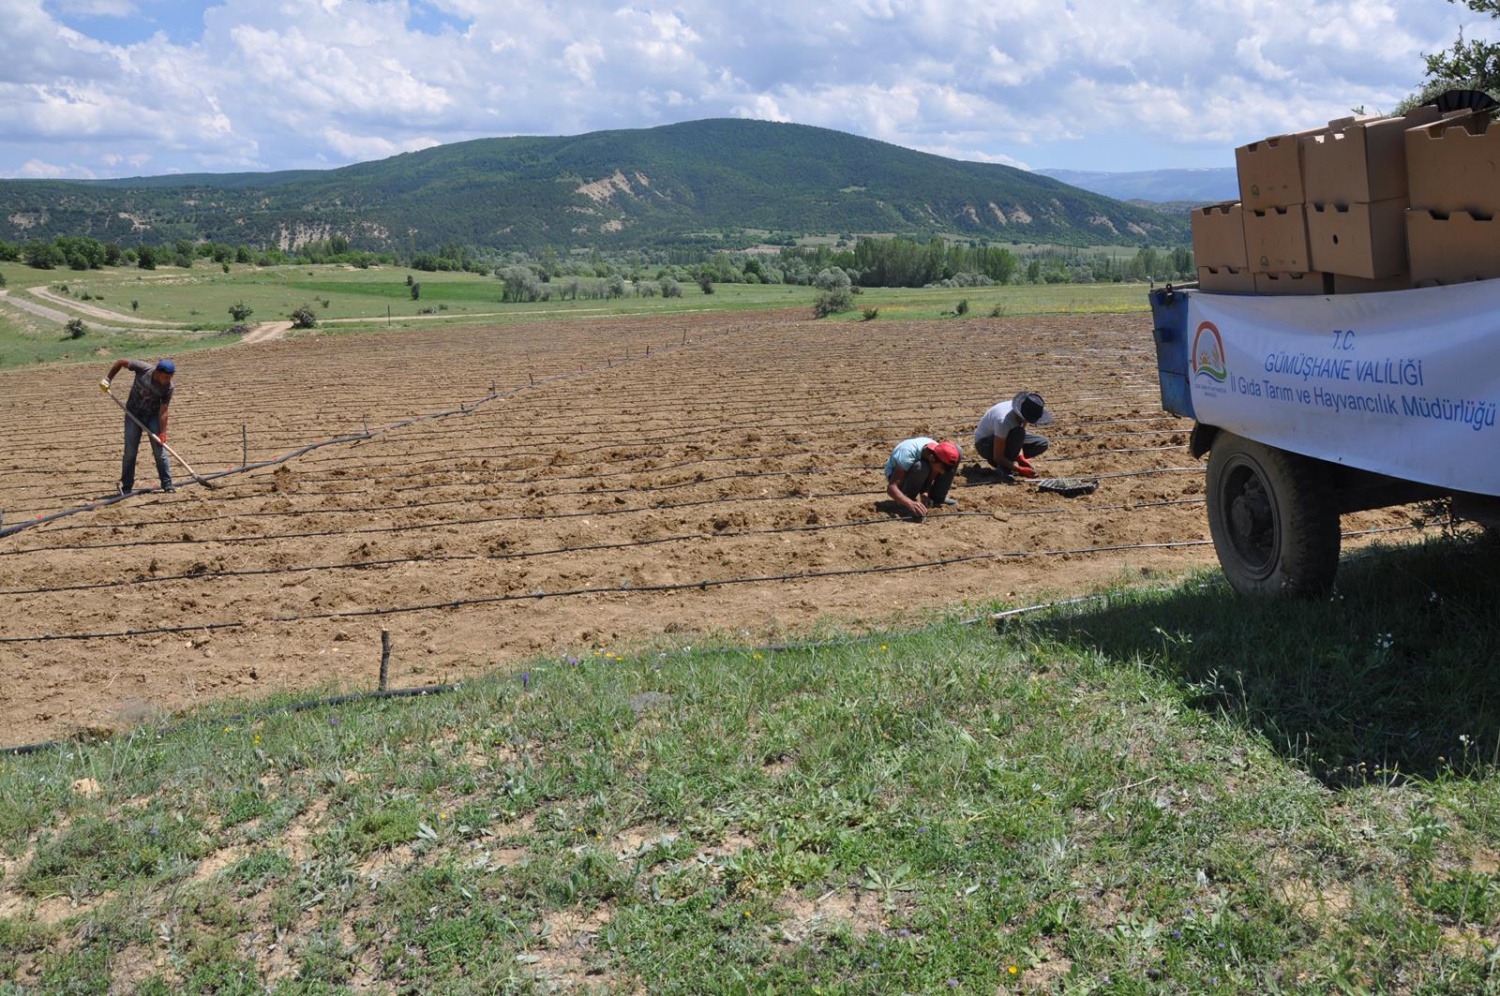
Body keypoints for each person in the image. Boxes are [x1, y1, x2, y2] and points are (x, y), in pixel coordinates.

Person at [101, 358, 176, 494]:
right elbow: (120, 362)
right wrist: (108, 379)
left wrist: (162, 433)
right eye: (166, 377)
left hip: (152, 417)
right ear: (158, 373)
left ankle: (167, 484)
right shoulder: (144, 369)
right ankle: (127, 486)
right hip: (132, 414)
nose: (168, 380)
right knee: (130, 452)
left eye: (170, 377)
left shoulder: (168, 388)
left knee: (160, 452)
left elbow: (163, 411)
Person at [974, 390, 1053, 480]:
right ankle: (1003, 468)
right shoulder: (1003, 421)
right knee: (1018, 433)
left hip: (1005, 436)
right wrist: (1019, 469)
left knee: (1042, 443)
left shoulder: (1022, 412)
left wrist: (1021, 458)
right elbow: (998, 457)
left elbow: (1019, 440)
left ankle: (1009, 460)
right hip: (985, 445)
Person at [884, 437, 961, 520]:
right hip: (897, 475)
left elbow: (930, 478)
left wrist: (925, 493)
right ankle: (906, 504)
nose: (942, 473)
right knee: (921, 467)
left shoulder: (936, 453)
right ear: (932, 458)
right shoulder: (907, 454)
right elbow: (891, 488)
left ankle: (937, 498)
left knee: (958, 450)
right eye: (942, 468)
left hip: (921, 469)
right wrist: (910, 503)